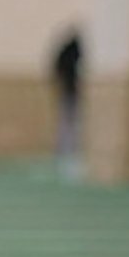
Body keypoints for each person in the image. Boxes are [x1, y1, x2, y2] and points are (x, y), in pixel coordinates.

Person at [50, 26, 83, 172]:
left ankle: (68, 149)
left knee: (69, 121)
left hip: (70, 90)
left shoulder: (67, 51)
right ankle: (66, 150)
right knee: (68, 121)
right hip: (69, 90)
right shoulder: (70, 52)